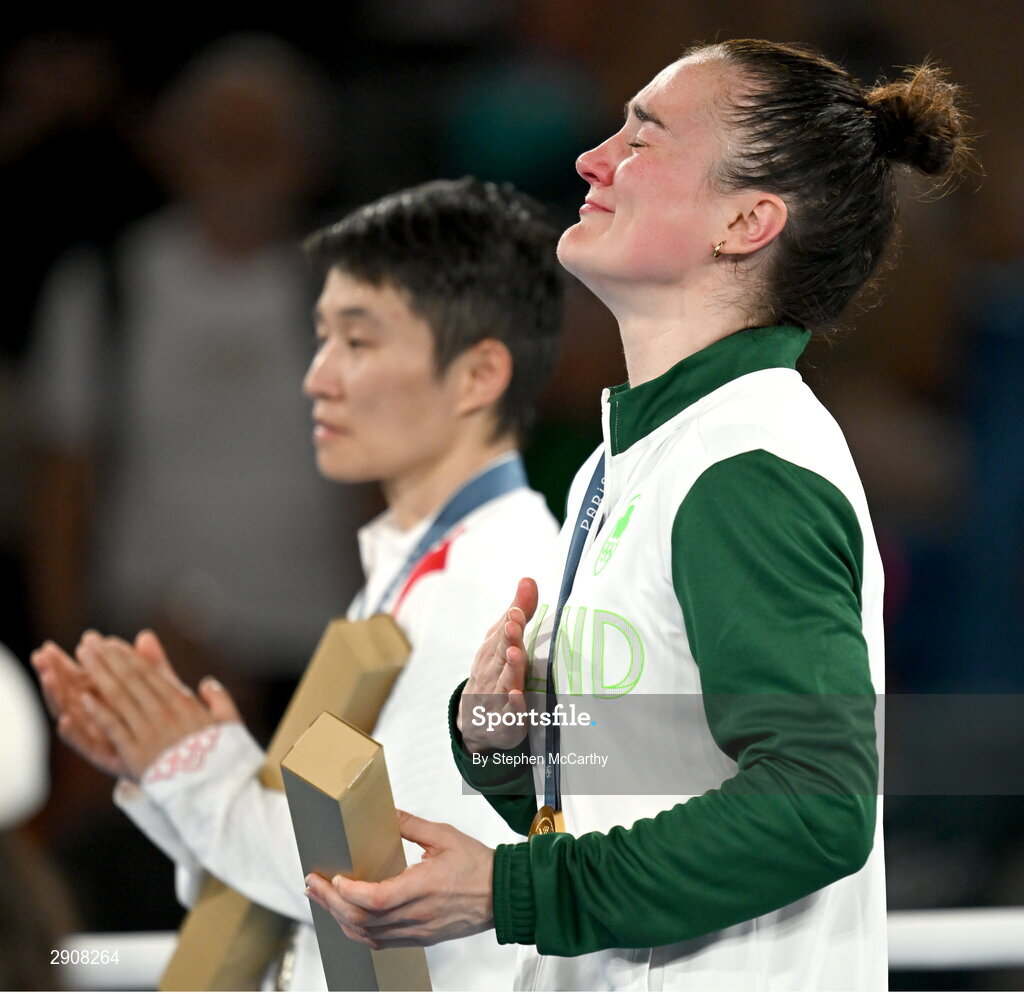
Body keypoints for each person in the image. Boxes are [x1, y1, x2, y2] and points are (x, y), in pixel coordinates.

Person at [304, 39, 972, 991]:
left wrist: (511, 889)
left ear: (746, 220)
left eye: (643, 137)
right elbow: (656, 775)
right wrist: (512, 744)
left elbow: (817, 804)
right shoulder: (629, 462)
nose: (593, 157)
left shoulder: (745, 464)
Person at [31, 176, 565, 991]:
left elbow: (397, 892)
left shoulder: (497, 591)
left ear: (476, 376)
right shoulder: (412, 572)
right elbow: (305, 897)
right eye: (318, 340)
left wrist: (196, 769)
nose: (316, 378)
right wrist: (170, 771)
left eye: (357, 343)